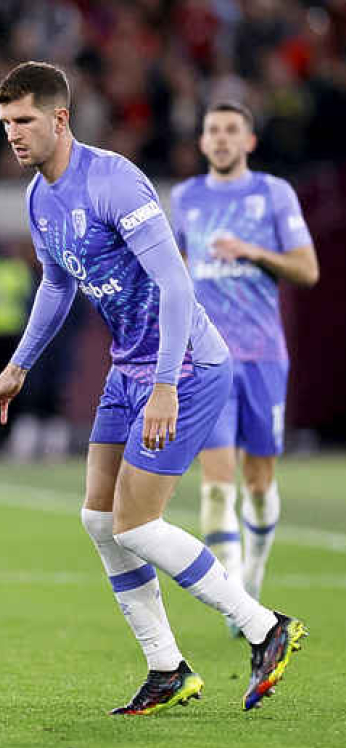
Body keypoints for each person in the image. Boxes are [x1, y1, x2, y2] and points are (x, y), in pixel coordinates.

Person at [0, 62, 307, 715]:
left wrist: (163, 386)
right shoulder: (40, 198)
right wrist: (18, 367)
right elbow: (56, 285)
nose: (13, 134)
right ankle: (167, 668)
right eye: (6, 122)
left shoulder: (112, 182)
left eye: (25, 120)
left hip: (184, 370)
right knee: (99, 519)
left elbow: (177, 283)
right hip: (129, 369)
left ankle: (266, 626)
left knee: (135, 522)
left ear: (60, 118)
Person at [169, 102, 319, 627]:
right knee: (216, 481)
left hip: (263, 357)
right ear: (203, 141)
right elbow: (177, 273)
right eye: (213, 130)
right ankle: (237, 600)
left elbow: (307, 269)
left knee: (258, 483)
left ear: (249, 141)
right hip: (209, 360)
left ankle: (252, 571)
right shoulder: (185, 198)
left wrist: (253, 252)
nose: (222, 138)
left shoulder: (273, 194)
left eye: (233, 130)